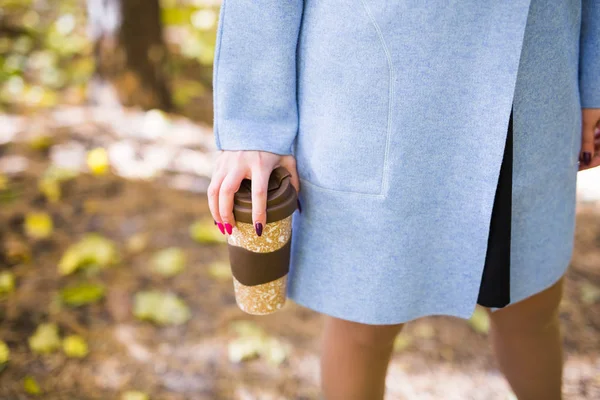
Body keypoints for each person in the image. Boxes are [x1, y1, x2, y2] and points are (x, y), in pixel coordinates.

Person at [208, 1, 600, 399]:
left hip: (537, 76)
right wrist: (253, 122)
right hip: (381, 91)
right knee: (363, 320)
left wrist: (595, 76)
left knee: (531, 308)